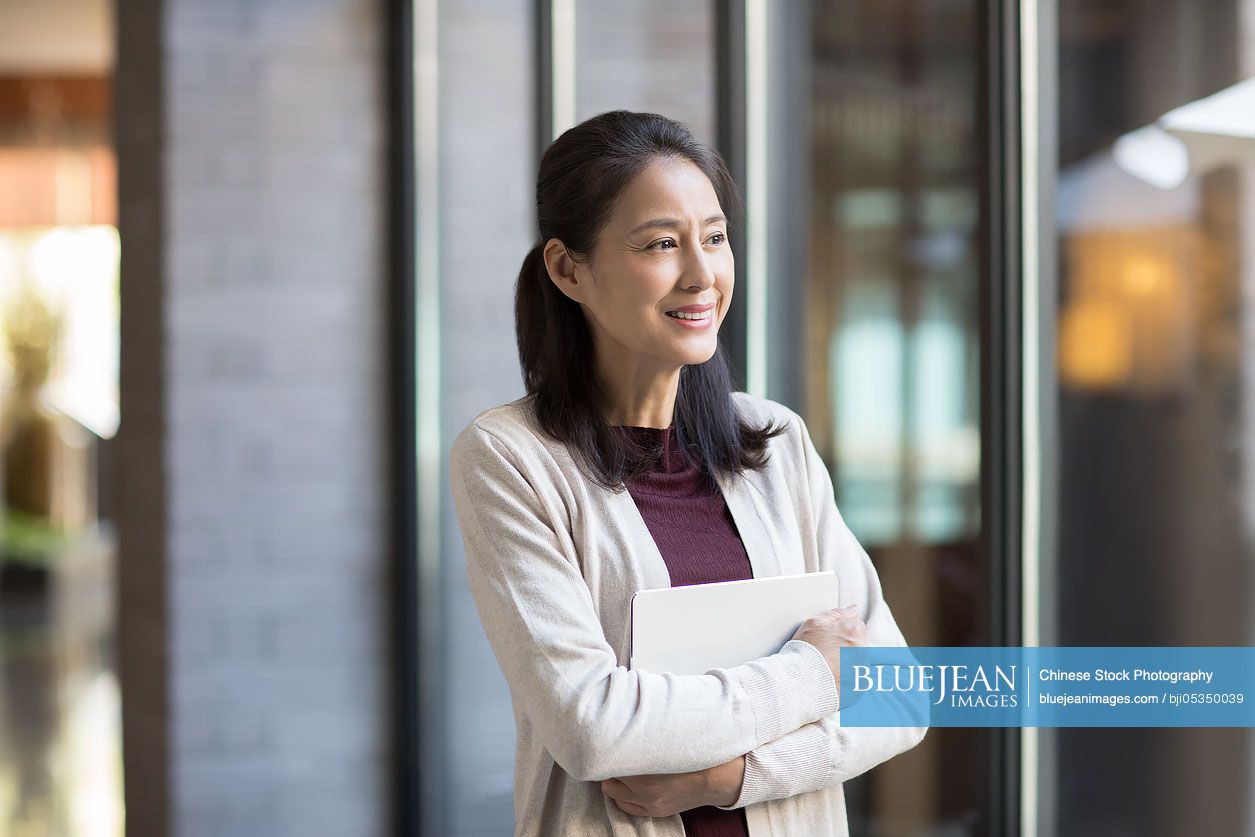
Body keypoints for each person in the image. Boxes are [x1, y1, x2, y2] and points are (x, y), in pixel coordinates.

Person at [449, 110, 926, 836]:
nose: (702, 274)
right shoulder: (510, 457)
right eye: (661, 244)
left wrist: (726, 778)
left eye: (714, 237)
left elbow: (899, 698)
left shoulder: (774, 442)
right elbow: (592, 726)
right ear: (566, 268)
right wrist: (811, 670)